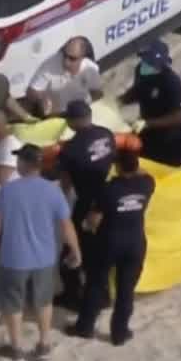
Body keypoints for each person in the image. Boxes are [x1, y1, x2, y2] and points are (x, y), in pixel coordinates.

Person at [0, 144, 82, 361]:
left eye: (18, 160)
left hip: (13, 258)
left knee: (12, 304)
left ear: (24, 164)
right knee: (43, 302)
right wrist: (76, 250)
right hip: (44, 258)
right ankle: (44, 343)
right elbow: (67, 226)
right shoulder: (53, 190)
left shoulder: (7, 190)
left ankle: (16, 347)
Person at [67, 136, 154, 345]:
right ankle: (119, 333)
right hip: (135, 243)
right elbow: (144, 173)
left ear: (117, 166)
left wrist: (86, 229)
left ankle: (85, 327)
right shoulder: (147, 184)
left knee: (96, 283)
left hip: (109, 242)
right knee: (126, 290)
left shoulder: (108, 190)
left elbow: (93, 219)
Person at [54, 99, 117, 311]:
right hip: (109, 199)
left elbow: (65, 183)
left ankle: (73, 295)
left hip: (87, 202)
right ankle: (105, 295)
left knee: (71, 250)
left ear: (72, 122)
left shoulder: (70, 149)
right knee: (101, 249)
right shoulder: (107, 134)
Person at [118, 39, 181, 167]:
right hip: (147, 127)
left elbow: (177, 117)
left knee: (166, 168)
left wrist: (147, 123)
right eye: (146, 61)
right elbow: (138, 90)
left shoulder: (173, 85)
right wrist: (120, 101)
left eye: (152, 64)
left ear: (161, 65)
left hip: (169, 136)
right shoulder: (140, 70)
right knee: (143, 160)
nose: (147, 65)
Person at [25, 36, 105, 118]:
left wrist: (84, 106)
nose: (66, 62)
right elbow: (31, 90)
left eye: (72, 58)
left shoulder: (90, 69)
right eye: (64, 55)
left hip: (77, 115)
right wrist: (41, 99)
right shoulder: (51, 63)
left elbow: (98, 93)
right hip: (53, 115)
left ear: (83, 58)